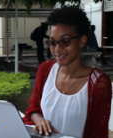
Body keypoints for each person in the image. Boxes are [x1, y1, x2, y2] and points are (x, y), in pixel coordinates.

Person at [23, 6, 112, 138]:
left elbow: (97, 132)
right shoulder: (46, 69)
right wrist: (40, 121)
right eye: (52, 42)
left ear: (82, 40)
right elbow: (33, 108)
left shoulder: (98, 83)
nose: (57, 49)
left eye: (65, 41)